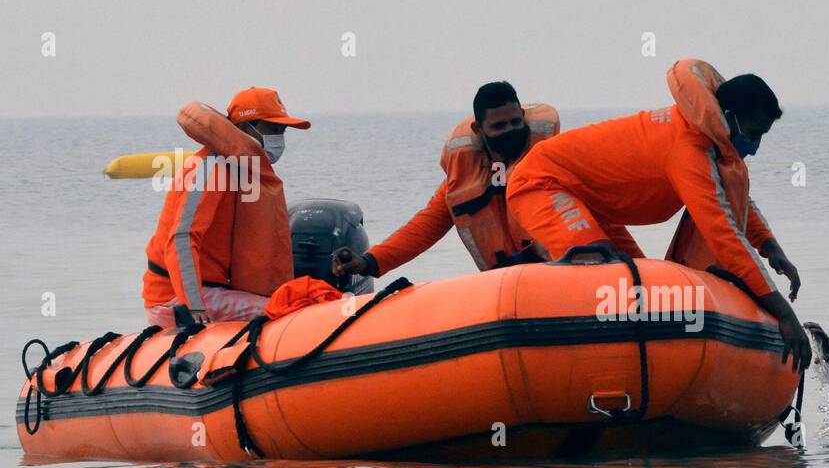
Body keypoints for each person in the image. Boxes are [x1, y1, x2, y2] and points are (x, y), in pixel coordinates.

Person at [505, 59, 810, 371]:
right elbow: (724, 234)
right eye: (753, 133)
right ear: (729, 117)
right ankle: (571, 368)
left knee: (643, 294)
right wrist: (785, 314)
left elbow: (735, 204)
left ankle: (648, 379)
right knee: (605, 278)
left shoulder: (707, 140)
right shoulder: (687, 150)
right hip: (541, 183)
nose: (755, 147)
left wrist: (771, 247)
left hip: (587, 198)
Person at [332, 82, 559, 279]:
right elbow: (424, 228)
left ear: (523, 117)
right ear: (478, 129)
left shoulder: (554, 161)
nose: (510, 131)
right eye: (499, 126)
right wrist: (368, 262)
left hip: (561, 274)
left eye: (515, 122)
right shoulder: (463, 181)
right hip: (505, 283)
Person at [142, 87, 309, 325]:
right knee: (289, 312)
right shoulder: (211, 169)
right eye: (272, 129)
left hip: (213, 289)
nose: (278, 138)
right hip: (175, 299)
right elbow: (181, 238)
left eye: (282, 131)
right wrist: (193, 305)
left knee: (302, 295)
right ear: (243, 128)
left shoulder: (238, 168)